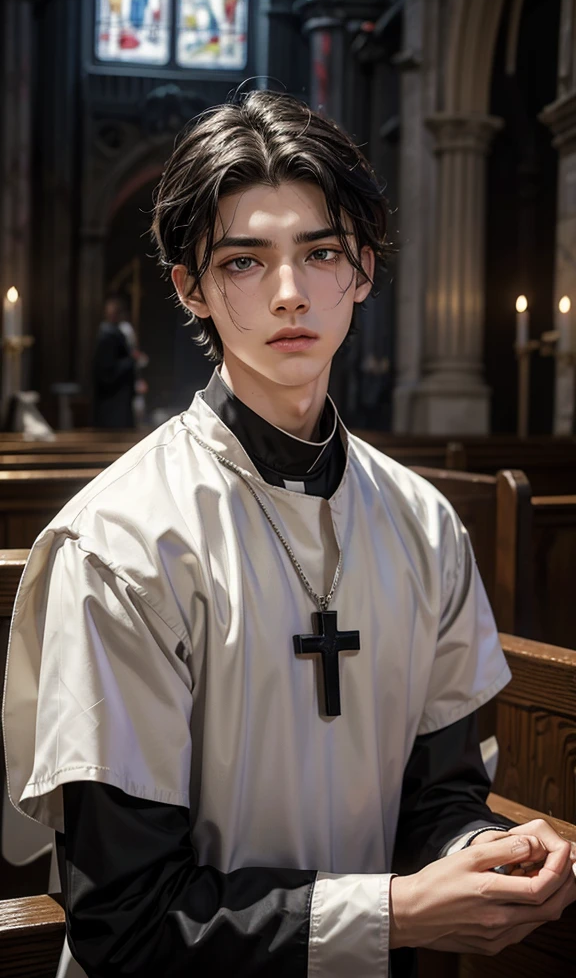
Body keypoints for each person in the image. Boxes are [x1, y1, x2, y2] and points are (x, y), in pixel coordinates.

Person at [3, 91, 576, 978]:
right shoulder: (120, 544)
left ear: (363, 271)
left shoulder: (426, 526)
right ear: (189, 282)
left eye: (320, 253)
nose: (288, 293)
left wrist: (487, 852)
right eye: (243, 260)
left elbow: (440, 799)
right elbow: (125, 919)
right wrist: (395, 913)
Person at [92, 296, 137, 427]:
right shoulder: (108, 337)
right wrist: (130, 361)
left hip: (120, 395)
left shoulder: (116, 333)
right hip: (113, 399)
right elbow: (106, 371)